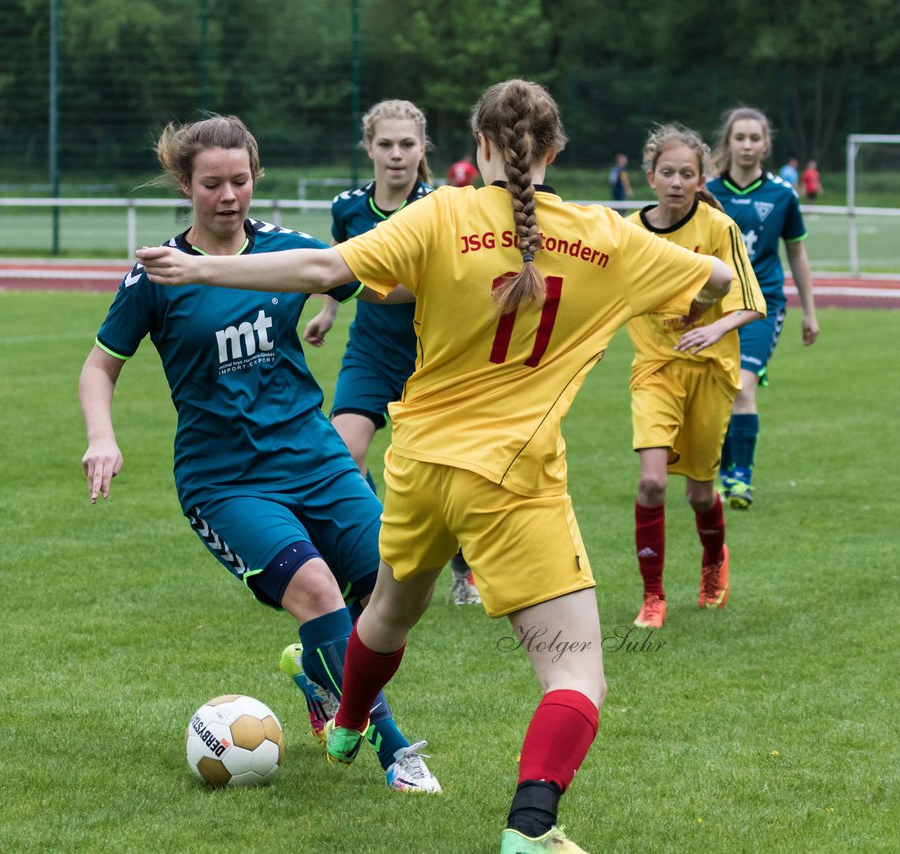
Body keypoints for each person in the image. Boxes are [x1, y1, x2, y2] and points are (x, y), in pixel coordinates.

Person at [137, 80, 732, 854]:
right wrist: (666, 292)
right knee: (576, 676)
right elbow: (715, 282)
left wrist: (202, 270)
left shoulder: (442, 211)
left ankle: (348, 724)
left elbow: (327, 270)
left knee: (386, 612)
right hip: (510, 481)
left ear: (478, 146)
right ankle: (531, 830)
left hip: (419, 466)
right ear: (554, 151)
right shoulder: (606, 236)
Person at [78, 115, 440, 793]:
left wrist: (474, 277)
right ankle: (394, 749)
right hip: (227, 481)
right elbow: (100, 368)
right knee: (316, 590)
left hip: (317, 457)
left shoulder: (289, 252)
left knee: (395, 589)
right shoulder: (156, 274)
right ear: (185, 184)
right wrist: (103, 436)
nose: (228, 196)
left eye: (239, 181)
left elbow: (389, 289)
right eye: (211, 183)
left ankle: (315, 673)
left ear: (255, 178)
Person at [301, 100, 478, 608]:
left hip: (435, 357)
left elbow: (435, 281)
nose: (396, 154)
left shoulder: (443, 207)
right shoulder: (348, 207)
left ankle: (462, 566)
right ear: (369, 148)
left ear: (422, 148)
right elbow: (340, 265)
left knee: (446, 476)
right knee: (343, 454)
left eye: (406, 145)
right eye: (386, 144)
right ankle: (368, 566)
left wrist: (359, 286)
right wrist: (328, 311)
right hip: (372, 352)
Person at [625, 124, 767, 629]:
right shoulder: (630, 232)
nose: (677, 182)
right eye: (668, 172)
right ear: (650, 177)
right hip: (656, 369)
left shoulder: (717, 228)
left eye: (688, 173)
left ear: (702, 177)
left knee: (701, 493)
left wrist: (714, 329)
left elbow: (752, 303)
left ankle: (713, 562)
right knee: (652, 483)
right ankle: (654, 597)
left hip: (710, 371)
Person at [707, 107, 819, 510]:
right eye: (740, 137)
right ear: (729, 142)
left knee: (742, 385)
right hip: (715, 305)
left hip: (762, 303)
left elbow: (798, 255)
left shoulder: (782, 195)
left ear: (766, 144)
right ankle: (720, 475)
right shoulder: (707, 194)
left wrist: (810, 311)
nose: (748, 145)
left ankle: (742, 479)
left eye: (755, 138)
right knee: (719, 389)